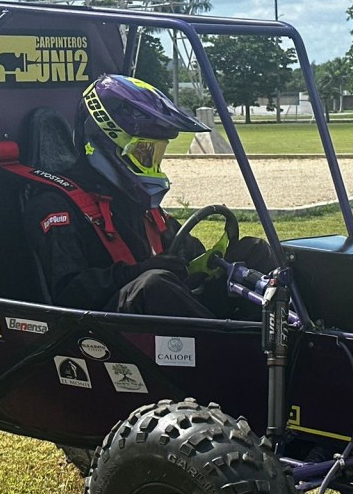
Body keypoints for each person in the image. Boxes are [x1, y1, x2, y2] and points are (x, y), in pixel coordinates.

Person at [20, 74, 275, 318]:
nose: (151, 163)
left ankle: (286, 339)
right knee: (153, 285)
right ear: (108, 142)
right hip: (101, 328)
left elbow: (182, 254)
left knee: (253, 251)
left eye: (157, 154)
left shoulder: (134, 201)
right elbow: (69, 293)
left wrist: (205, 264)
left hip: (167, 313)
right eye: (145, 152)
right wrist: (137, 272)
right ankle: (233, 354)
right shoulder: (54, 205)